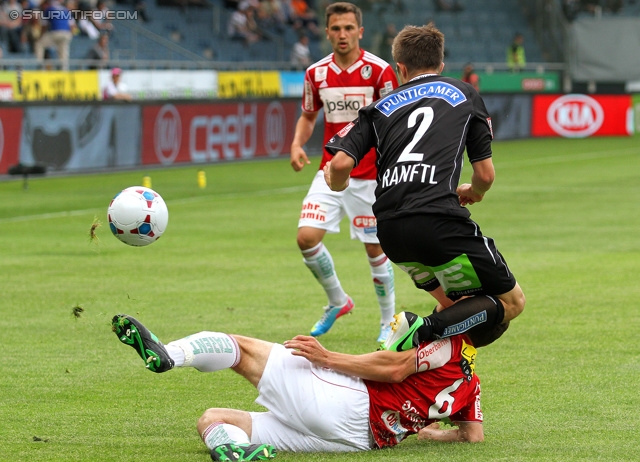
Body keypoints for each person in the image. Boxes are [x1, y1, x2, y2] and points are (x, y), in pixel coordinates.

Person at [323, 24, 526, 352]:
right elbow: (485, 175)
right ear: (441, 65)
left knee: (456, 307)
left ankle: (421, 368)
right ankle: (418, 332)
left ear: (399, 68)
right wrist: (475, 192)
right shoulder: (463, 93)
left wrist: (337, 184)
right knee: (511, 302)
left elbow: (340, 166)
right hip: (438, 221)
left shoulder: (378, 108)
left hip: (390, 232)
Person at [111, 313, 499, 459]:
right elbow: (473, 438)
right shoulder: (472, 384)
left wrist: (325, 358)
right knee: (212, 418)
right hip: (360, 441)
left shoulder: (450, 343)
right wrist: (428, 433)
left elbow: (395, 368)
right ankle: (232, 451)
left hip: (350, 404)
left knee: (243, 349)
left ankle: (168, 355)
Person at [289, 2, 399, 342]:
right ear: (327, 32)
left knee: (375, 250)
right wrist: (296, 144)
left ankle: (387, 322)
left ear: (360, 32)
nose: (342, 35)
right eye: (336, 29)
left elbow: (395, 120)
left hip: (369, 177)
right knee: (306, 239)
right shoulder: (316, 73)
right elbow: (309, 116)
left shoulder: (380, 72)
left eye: (349, 28)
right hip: (330, 170)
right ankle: (338, 300)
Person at [34, 0, 76, 70]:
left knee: (39, 44)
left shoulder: (49, 9)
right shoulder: (66, 10)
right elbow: (72, 26)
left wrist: (40, 37)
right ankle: (64, 70)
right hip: (66, 34)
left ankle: (39, 65)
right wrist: (70, 35)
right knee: (63, 51)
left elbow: (44, 26)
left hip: (55, 33)